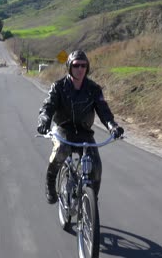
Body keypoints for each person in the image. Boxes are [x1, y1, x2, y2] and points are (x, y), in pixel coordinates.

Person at [37, 50, 124, 204]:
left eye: (84, 65)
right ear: (70, 67)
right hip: (63, 129)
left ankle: (91, 202)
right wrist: (44, 121)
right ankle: (50, 182)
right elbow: (48, 107)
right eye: (76, 65)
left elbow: (104, 111)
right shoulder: (58, 87)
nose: (80, 69)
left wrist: (112, 126)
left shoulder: (94, 89)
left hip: (84, 131)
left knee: (96, 167)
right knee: (61, 150)